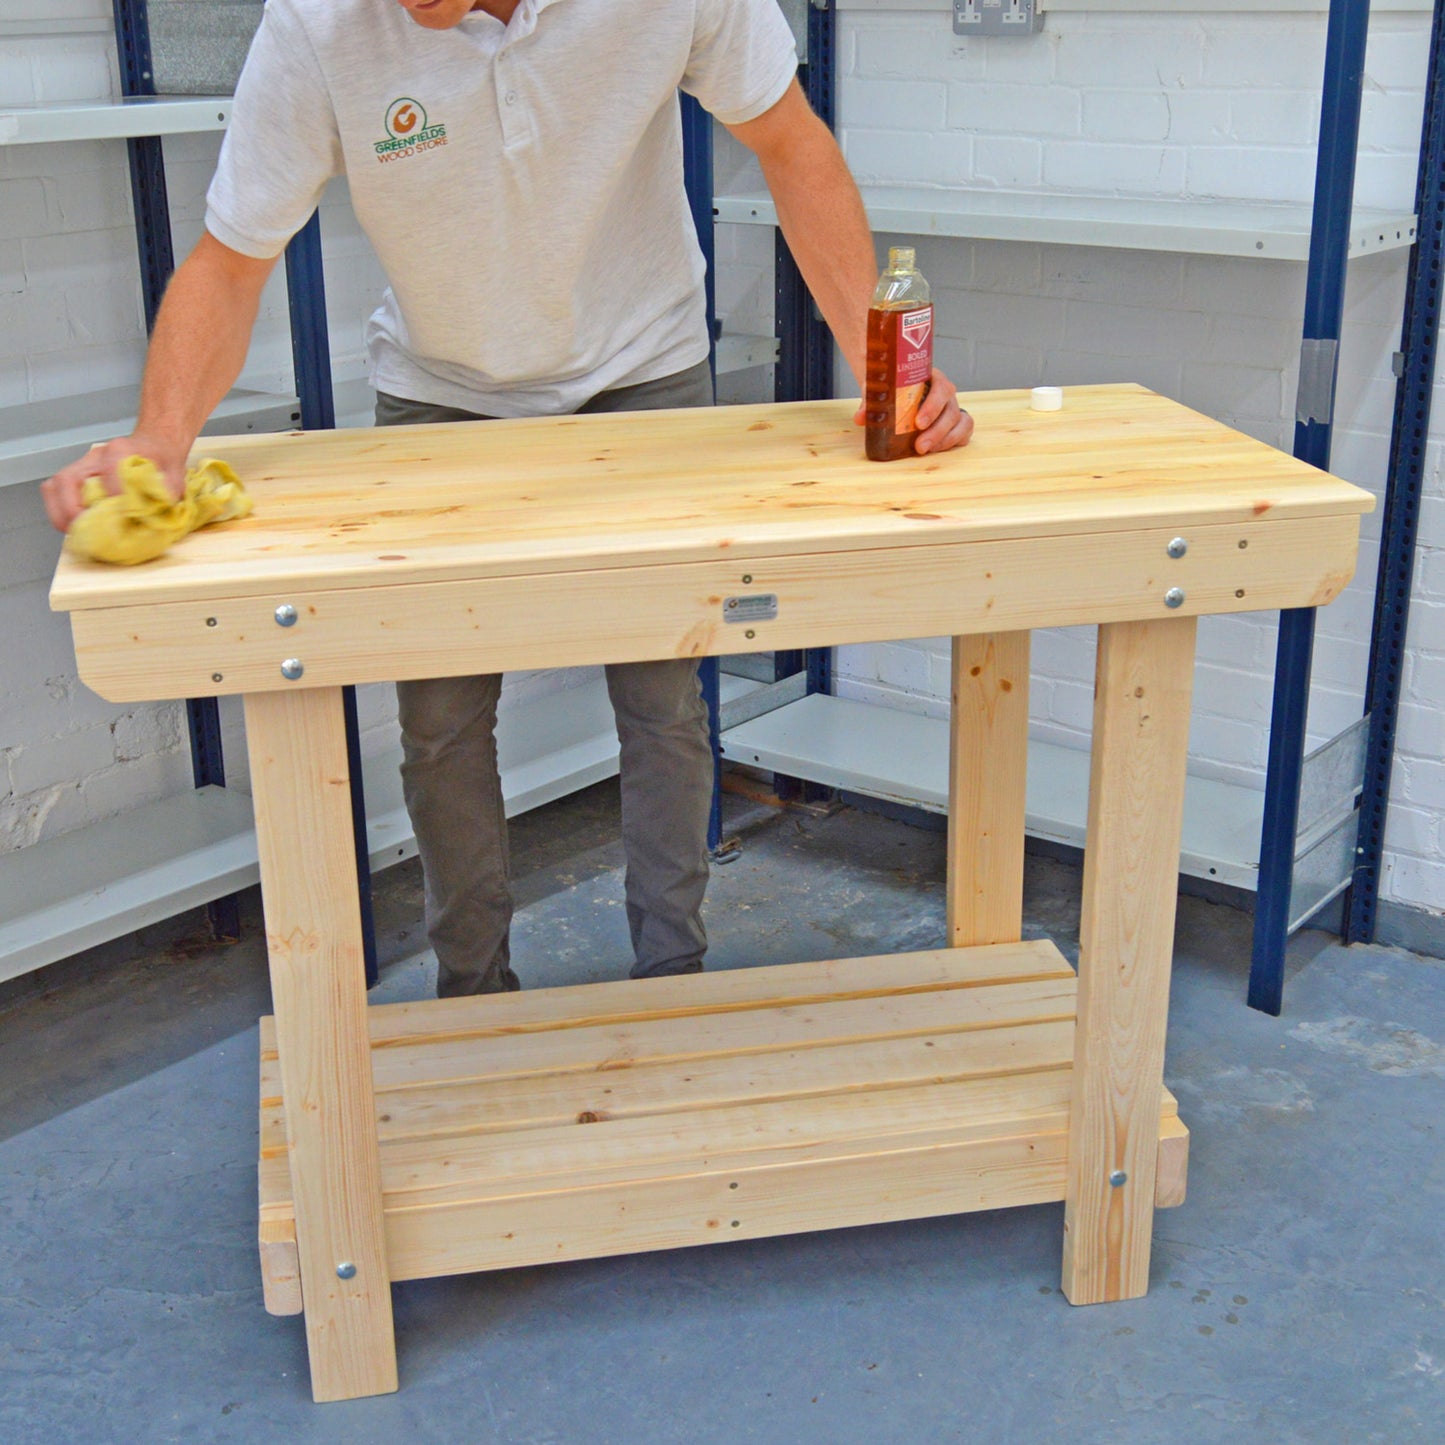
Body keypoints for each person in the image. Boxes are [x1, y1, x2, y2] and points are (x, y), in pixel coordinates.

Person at [41, 0, 974, 998]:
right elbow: (232, 258)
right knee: (440, 717)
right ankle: (473, 992)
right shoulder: (317, 25)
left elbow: (790, 145)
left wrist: (888, 384)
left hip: (640, 368)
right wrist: (159, 436)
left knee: (662, 695)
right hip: (440, 390)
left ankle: (672, 979)